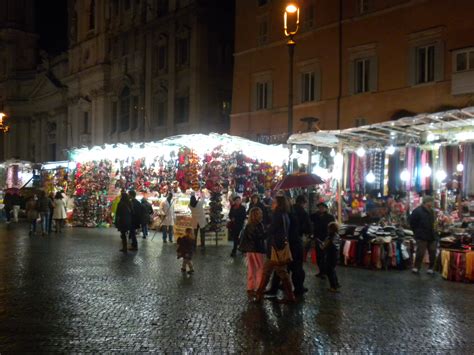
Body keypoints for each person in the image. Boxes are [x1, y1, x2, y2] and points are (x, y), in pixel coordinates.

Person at [255, 195, 295, 304]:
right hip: (276, 246)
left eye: (274, 202)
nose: (272, 203)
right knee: (267, 271)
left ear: (279, 204)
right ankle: (259, 294)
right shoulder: (284, 214)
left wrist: (261, 235)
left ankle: (290, 296)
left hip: (276, 248)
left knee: (280, 272)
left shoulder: (278, 215)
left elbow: (272, 230)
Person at [239, 207, 266, 298]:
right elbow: (258, 237)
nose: (261, 214)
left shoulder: (250, 225)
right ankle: (258, 287)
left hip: (250, 250)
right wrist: (267, 233)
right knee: (259, 269)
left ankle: (251, 287)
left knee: (251, 268)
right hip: (256, 249)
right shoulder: (257, 225)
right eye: (259, 213)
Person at [410, 195, 437, 274]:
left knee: (432, 252)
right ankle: (416, 267)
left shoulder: (432, 211)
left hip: (431, 235)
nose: (432, 203)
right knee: (420, 252)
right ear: (426, 202)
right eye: (431, 201)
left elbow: (434, 222)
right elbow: (412, 222)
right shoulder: (417, 211)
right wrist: (417, 232)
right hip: (421, 235)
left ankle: (431, 268)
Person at [310, 202, 335, 278]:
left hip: (326, 239)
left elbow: (333, 227)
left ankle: (325, 272)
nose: (321, 209)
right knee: (319, 256)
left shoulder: (330, 217)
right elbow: (309, 219)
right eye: (319, 207)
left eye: (322, 207)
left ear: (325, 208)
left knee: (325, 256)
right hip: (318, 238)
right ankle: (321, 271)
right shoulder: (315, 216)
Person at [322, 222, 341, 292]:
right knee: (333, 270)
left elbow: (324, 246)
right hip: (336, 255)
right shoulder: (337, 236)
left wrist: (321, 245)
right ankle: (336, 283)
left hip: (330, 255)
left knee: (329, 271)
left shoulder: (331, 236)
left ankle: (333, 287)